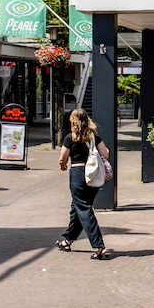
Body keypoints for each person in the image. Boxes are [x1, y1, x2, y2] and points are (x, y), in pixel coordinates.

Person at [54, 108, 112, 260]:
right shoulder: (94, 137)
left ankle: (100, 247)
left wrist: (62, 164)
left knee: (84, 209)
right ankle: (68, 240)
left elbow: (63, 158)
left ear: (73, 121)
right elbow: (105, 154)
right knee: (77, 208)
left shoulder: (69, 138)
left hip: (78, 175)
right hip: (93, 176)